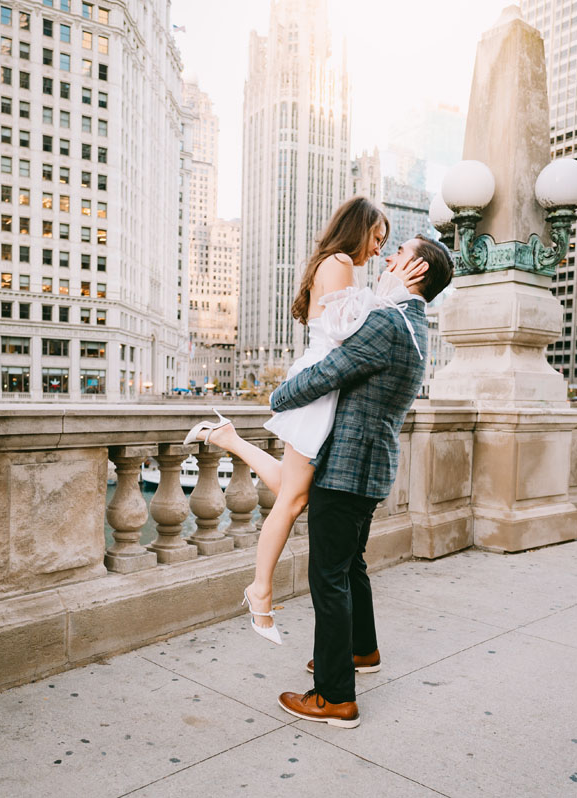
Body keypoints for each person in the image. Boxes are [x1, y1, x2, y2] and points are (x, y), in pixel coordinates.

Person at [183, 196, 427, 645]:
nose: (378, 250)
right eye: (377, 238)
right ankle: (259, 591)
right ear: (360, 228)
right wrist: (388, 291)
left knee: (296, 490)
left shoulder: (338, 265)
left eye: (385, 244)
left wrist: (385, 294)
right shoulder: (338, 262)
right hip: (319, 382)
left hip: (328, 385)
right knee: (293, 500)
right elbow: (344, 330)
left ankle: (228, 438)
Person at [270, 232, 453, 728]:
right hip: (372, 467)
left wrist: (278, 398)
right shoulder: (413, 326)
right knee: (350, 568)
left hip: (347, 469)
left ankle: (334, 698)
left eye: (400, 254)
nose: (389, 258)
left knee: (327, 579)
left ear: (417, 272)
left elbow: (329, 370)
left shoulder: (389, 323)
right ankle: (362, 651)